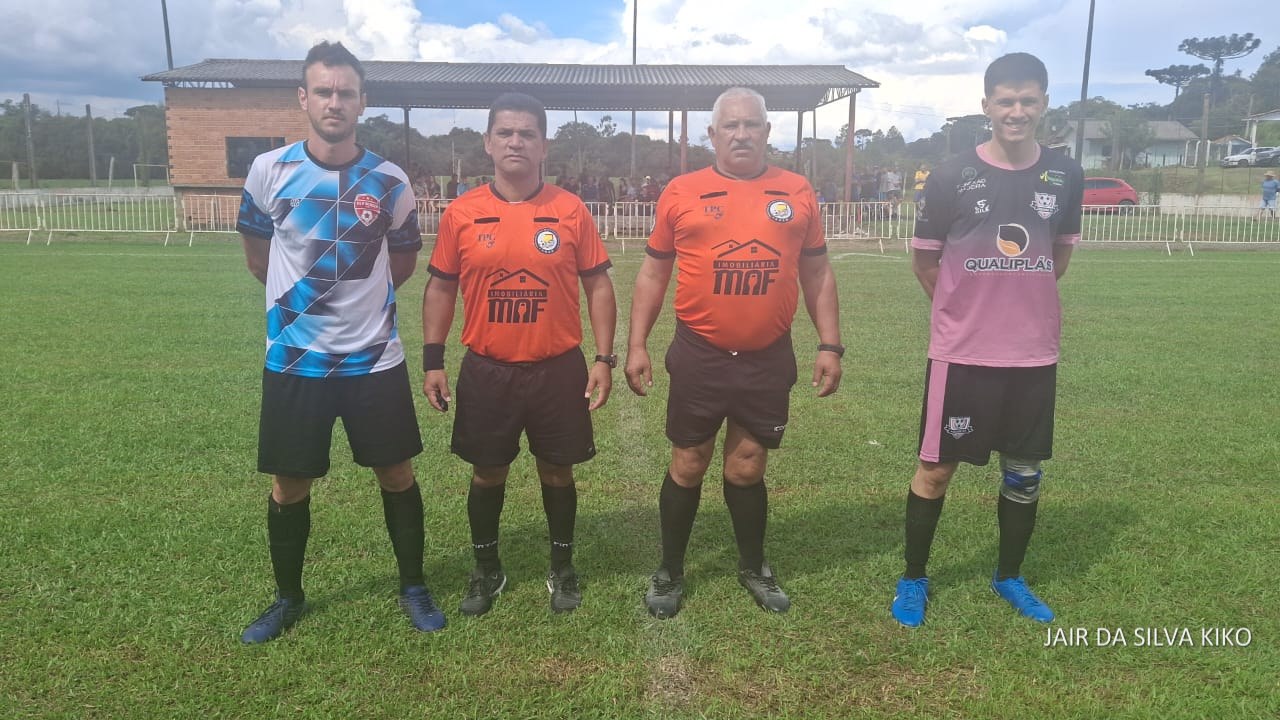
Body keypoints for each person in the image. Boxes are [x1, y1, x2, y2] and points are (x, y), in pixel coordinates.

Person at [235, 40, 445, 644]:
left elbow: (402, 262)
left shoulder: (389, 180)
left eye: (345, 92)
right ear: (304, 98)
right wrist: (304, 310)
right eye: (323, 91)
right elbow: (258, 259)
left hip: (373, 359)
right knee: (289, 483)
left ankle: (413, 586)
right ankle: (287, 598)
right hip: (294, 359)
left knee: (396, 474)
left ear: (362, 101)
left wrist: (359, 309)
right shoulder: (268, 171)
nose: (334, 102)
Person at [626, 86, 843, 619]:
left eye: (751, 125)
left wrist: (829, 344)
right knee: (688, 462)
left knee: (747, 466)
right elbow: (653, 272)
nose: (741, 134)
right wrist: (636, 344)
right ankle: (670, 570)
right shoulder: (682, 191)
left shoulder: (796, 191)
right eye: (731, 125)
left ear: (767, 132)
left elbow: (817, 271)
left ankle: (752, 566)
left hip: (767, 355)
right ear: (713, 134)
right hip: (699, 353)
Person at [890, 52, 1084, 628]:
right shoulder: (952, 175)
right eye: (1005, 101)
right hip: (963, 354)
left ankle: (1009, 576)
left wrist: (1017, 305)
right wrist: (966, 310)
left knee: (1024, 472)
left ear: (1044, 104)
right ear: (986, 106)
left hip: (1032, 353)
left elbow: (1058, 256)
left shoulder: (1065, 174)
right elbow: (925, 262)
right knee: (936, 469)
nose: (1016, 111)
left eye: (1027, 100)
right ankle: (913, 577)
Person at [421, 92, 617, 616]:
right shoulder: (462, 212)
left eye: (527, 134)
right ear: (488, 143)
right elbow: (440, 288)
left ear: (543, 146)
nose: (516, 142)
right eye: (505, 133)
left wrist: (604, 358)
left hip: (558, 369)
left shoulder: (569, 210)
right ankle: (486, 568)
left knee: (558, 471)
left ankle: (562, 566)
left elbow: (598, 285)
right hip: (488, 370)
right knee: (488, 473)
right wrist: (433, 360)